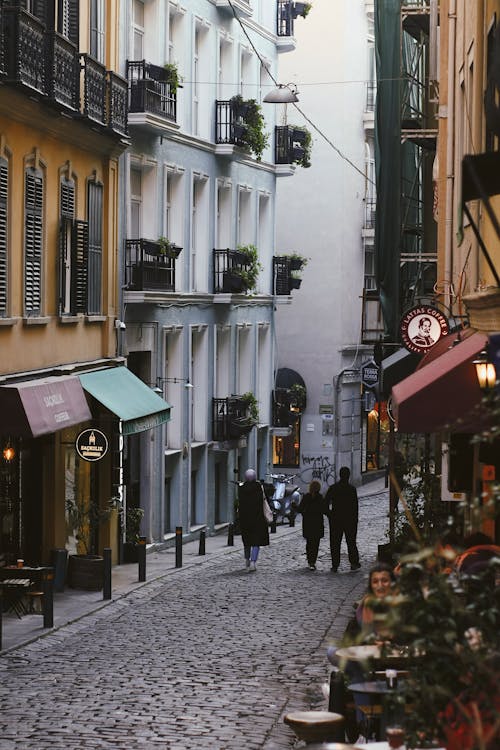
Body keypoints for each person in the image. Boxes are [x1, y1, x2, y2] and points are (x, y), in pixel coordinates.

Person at [325, 466, 360, 572]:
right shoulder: (351, 489)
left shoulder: (334, 488)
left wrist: (329, 515)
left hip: (336, 519)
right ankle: (354, 562)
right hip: (349, 519)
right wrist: (355, 519)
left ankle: (335, 564)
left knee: (335, 543)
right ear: (348, 476)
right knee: (351, 542)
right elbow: (355, 506)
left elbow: (325, 503)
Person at [238, 468, 270, 572]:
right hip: (257, 519)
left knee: (247, 542)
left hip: (245, 519)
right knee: (256, 541)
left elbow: (240, 504)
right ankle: (253, 562)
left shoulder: (242, 489)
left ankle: (247, 560)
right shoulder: (259, 488)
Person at [296, 480, 328, 571]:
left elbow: (300, 509)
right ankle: (313, 561)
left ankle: (310, 561)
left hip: (308, 523)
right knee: (315, 544)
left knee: (309, 543)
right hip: (317, 523)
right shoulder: (320, 497)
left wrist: (294, 506)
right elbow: (324, 510)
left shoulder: (306, 497)